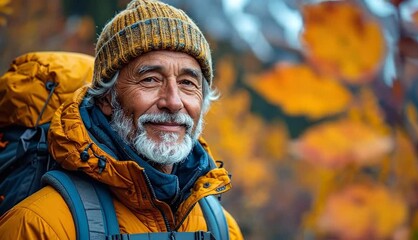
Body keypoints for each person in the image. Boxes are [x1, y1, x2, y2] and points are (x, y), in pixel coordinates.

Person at [0, 0, 243, 239]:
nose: (173, 101)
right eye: (150, 79)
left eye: (187, 83)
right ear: (107, 98)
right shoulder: (39, 226)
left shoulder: (222, 227)